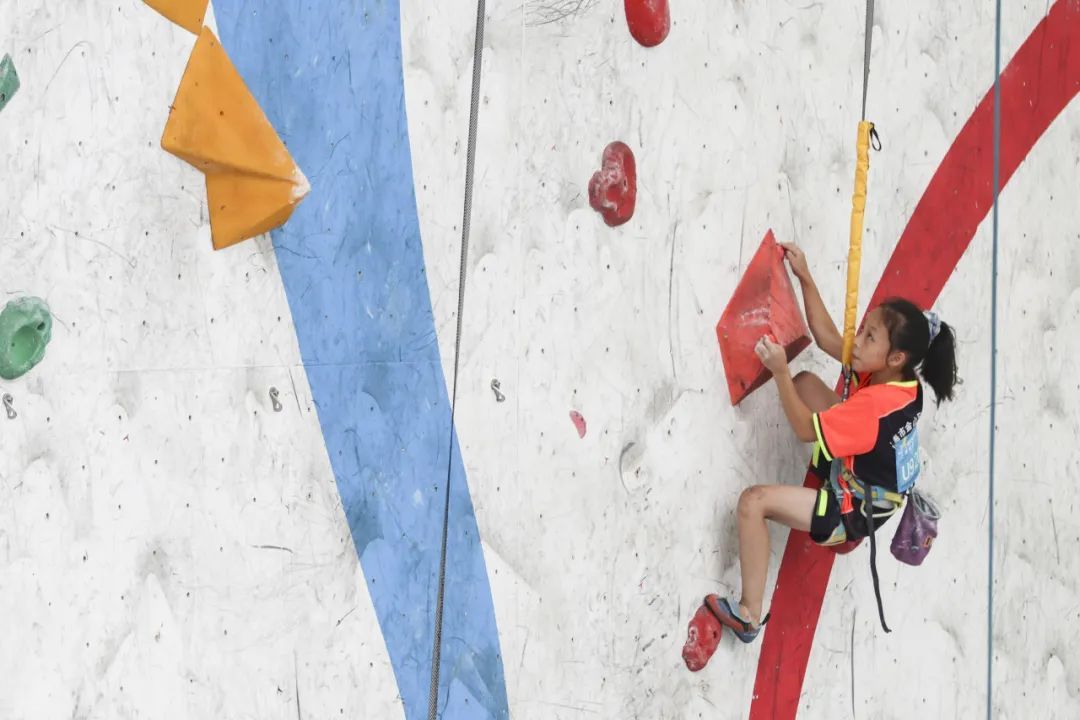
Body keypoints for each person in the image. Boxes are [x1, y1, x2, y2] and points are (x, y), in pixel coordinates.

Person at [705, 242, 960, 643]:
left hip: (848, 514)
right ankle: (834, 454)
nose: (857, 341)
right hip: (870, 473)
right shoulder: (900, 381)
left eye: (869, 337)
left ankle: (749, 615)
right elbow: (827, 338)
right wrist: (805, 275)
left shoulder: (875, 408)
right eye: (863, 329)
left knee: (753, 503)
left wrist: (779, 372)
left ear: (895, 357)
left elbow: (805, 429)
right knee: (808, 383)